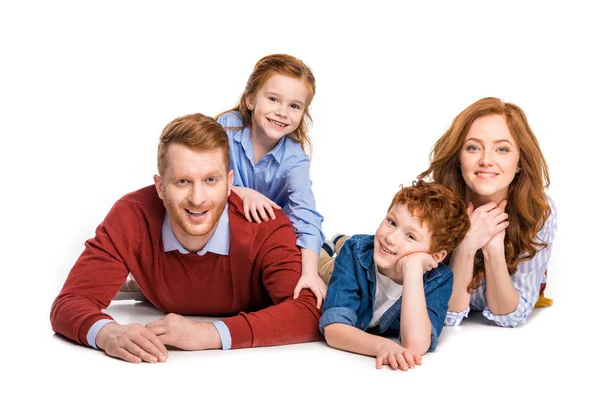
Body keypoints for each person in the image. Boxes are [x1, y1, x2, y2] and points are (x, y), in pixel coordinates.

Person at [50, 113, 322, 363]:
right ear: (159, 187)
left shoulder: (266, 226)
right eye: (182, 181)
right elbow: (69, 302)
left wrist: (208, 334)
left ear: (230, 183)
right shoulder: (131, 216)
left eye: (211, 180)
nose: (197, 198)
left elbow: (309, 312)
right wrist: (107, 334)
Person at [417, 97, 558, 328]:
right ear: (458, 158)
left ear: (520, 162)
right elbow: (444, 314)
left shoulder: (539, 212)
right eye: (473, 147)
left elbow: (512, 315)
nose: (485, 161)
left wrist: (493, 249)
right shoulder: (434, 205)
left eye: (502, 149)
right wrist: (467, 244)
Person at [319, 181, 470, 371]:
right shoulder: (355, 253)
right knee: (323, 262)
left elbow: (416, 345)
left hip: (379, 251)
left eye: (410, 236)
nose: (391, 238)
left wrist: (413, 268)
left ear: (436, 256)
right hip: (335, 268)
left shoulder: (440, 279)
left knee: (368, 244)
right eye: (391, 222)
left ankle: (340, 239)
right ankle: (332, 243)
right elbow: (334, 329)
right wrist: (381, 346)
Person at [215, 54, 327, 307]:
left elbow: (306, 214)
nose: (282, 112)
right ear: (251, 99)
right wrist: (242, 192)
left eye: (294, 106)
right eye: (273, 99)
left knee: (299, 280)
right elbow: (199, 175)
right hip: (223, 229)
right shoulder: (225, 129)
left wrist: (308, 273)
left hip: (265, 236)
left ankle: (329, 253)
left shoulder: (294, 159)